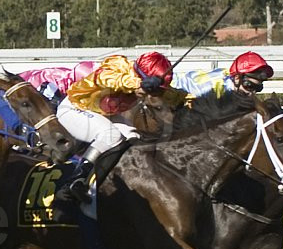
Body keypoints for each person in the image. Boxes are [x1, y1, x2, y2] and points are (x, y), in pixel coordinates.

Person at [55, 50, 186, 201]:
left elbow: (176, 96)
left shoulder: (149, 84)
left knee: (135, 139)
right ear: (138, 75)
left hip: (103, 115)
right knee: (110, 136)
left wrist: (192, 101)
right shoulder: (118, 66)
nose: (150, 94)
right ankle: (74, 182)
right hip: (74, 108)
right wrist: (138, 83)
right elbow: (106, 79)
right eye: (149, 88)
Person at [174, 50, 276, 100]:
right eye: (249, 86)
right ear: (236, 78)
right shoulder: (212, 89)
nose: (252, 93)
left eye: (258, 88)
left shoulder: (231, 79)